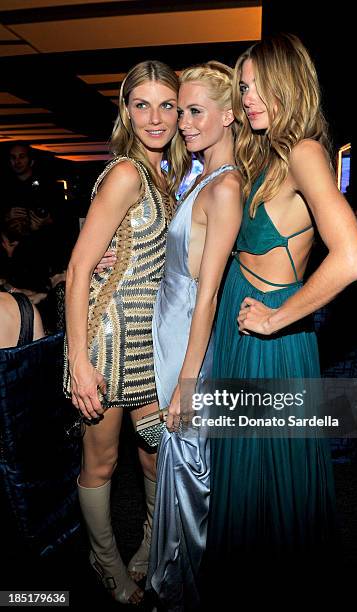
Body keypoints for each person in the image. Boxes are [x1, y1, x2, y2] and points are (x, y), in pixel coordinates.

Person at [204, 33, 357, 605]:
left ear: (286, 84)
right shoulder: (262, 152)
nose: (247, 98)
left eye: (255, 87)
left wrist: (278, 320)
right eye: (243, 88)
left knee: (269, 480)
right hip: (237, 320)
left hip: (270, 336)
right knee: (242, 475)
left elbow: (352, 258)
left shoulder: (303, 151)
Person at [64, 60, 188, 605]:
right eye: (143, 105)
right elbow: (77, 270)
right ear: (126, 110)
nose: (156, 117)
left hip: (148, 343)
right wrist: (81, 361)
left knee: (157, 454)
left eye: (167, 105)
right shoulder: (125, 172)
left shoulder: (165, 173)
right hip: (108, 340)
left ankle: (145, 548)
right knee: (103, 462)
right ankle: (108, 566)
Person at [146, 61, 242, 610]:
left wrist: (187, 379)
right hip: (171, 327)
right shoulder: (199, 174)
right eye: (181, 111)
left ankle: (184, 592)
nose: (181, 122)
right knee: (173, 467)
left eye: (194, 111)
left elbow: (207, 294)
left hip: (188, 341)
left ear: (229, 116)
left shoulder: (225, 186)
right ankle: (171, 580)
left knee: (187, 475)